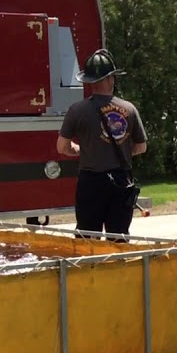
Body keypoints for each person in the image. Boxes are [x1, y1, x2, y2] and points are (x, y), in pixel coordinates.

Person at [57, 49, 147, 238]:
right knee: (119, 237)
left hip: (90, 182)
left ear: (88, 81)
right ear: (110, 79)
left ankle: (90, 267)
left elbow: (62, 147)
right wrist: (119, 151)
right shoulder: (129, 109)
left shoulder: (77, 110)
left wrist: (84, 150)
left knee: (87, 238)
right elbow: (141, 147)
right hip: (121, 180)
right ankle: (119, 267)